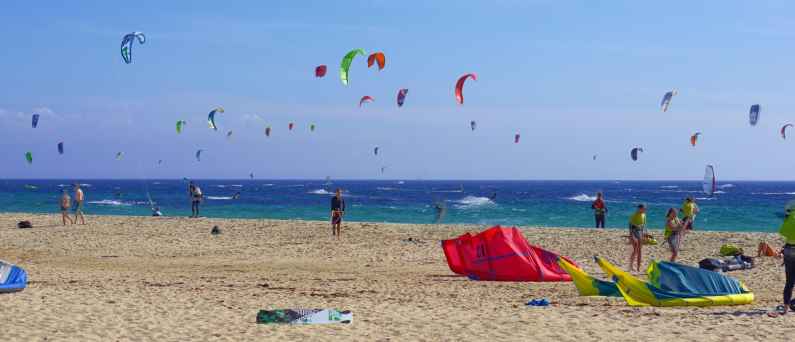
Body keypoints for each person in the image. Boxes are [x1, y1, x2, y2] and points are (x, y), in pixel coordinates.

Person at [773, 208, 795, 317]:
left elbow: (788, 240)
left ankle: (785, 309)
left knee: (789, 282)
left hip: (789, 250)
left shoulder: (789, 222)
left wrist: (782, 250)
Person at [628, 204, 646, 272]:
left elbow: (643, 225)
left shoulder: (644, 215)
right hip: (634, 232)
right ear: (639, 209)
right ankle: (630, 266)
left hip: (640, 233)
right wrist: (631, 235)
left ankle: (638, 268)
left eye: (645, 209)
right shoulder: (634, 215)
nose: (645, 210)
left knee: (640, 251)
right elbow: (630, 225)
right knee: (635, 249)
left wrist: (644, 233)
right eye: (643, 209)